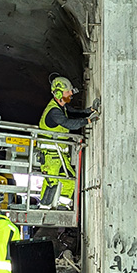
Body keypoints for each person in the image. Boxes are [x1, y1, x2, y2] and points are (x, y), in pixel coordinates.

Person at [38, 75, 98, 209]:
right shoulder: (54, 111)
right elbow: (68, 123)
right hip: (51, 156)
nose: (71, 94)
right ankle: (44, 208)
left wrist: (88, 112)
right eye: (68, 92)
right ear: (58, 93)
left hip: (57, 153)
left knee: (69, 179)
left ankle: (61, 207)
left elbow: (74, 113)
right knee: (52, 182)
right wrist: (87, 121)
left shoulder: (61, 107)